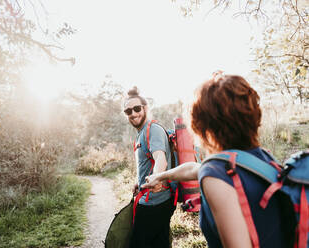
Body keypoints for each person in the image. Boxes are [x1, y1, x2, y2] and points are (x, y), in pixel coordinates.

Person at [143, 73, 295, 248]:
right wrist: (160, 176)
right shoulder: (262, 160)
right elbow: (194, 168)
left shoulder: (217, 174)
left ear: (200, 124)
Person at [123, 86, 175, 248]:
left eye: (137, 109)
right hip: (151, 198)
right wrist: (140, 182)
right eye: (128, 111)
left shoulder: (153, 129)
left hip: (154, 202)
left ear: (145, 108)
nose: (133, 114)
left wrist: (155, 178)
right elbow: (148, 162)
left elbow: (160, 158)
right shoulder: (142, 133)